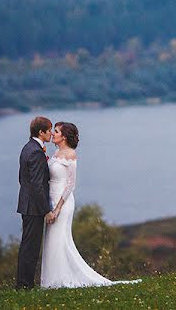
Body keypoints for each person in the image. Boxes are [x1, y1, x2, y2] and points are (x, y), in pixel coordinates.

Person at [39, 121, 141, 289]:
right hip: (51, 201)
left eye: (56, 132)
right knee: (51, 241)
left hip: (62, 204)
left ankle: (59, 281)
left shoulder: (70, 154)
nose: (53, 134)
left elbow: (70, 184)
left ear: (63, 136)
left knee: (58, 240)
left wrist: (57, 208)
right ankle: (51, 280)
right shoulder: (56, 153)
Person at [15, 116, 52, 289]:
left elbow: (22, 178)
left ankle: (23, 284)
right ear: (41, 132)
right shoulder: (36, 152)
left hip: (26, 204)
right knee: (31, 247)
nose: (51, 133)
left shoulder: (27, 147)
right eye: (49, 130)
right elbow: (37, 185)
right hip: (34, 207)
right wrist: (46, 210)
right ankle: (25, 285)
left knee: (27, 245)